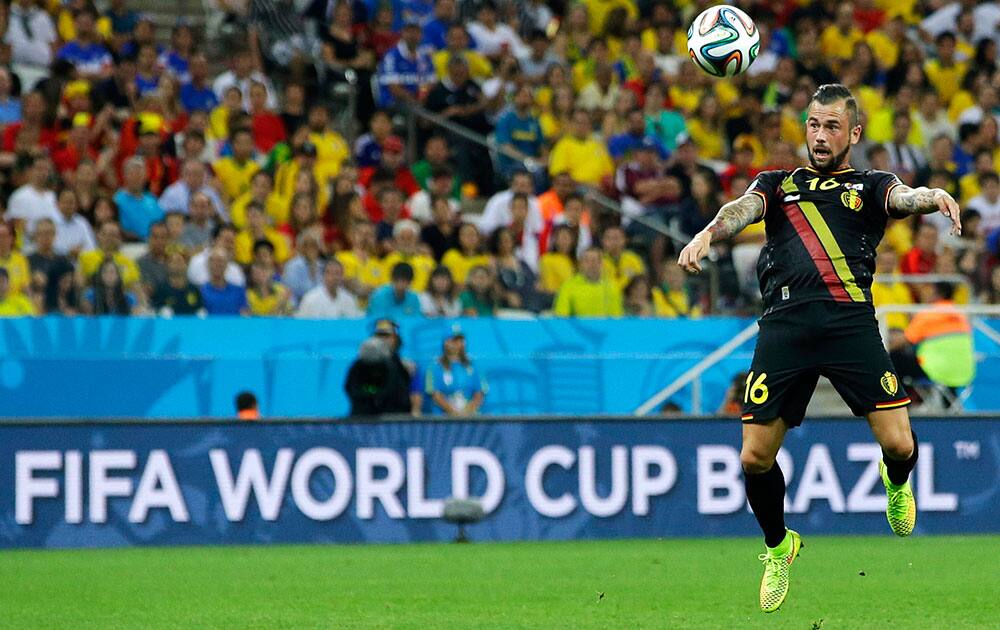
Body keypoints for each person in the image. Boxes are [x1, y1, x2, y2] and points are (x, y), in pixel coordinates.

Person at [677, 83, 963, 614]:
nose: (821, 135)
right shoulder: (778, 184)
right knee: (753, 456)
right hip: (784, 327)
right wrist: (707, 235)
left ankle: (895, 482)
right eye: (814, 124)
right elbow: (740, 209)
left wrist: (930, 197)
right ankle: (778, 546)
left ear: (853, 133)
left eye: (833, 126)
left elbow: (901, 196)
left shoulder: (870, 183)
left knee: (900, 445)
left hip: (849, 325)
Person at [424, 327, 486, 416]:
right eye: (454, 340)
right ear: (446, 342)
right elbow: (435, 394)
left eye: (461, 340)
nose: (458, 344)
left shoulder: (473, 364)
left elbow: (480, 393)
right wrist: (454, 413)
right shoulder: (435, 366)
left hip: (470, 417)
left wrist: (467, 411)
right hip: (444, 419)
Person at [553, 247, 624, 317]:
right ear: (580, 265)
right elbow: (561, 317)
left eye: (595, 260)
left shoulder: (612, 287)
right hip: (578, 328)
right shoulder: (568, 286)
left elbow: (617, 318)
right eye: (587, 261)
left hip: (604, 328)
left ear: (601, 264)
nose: (592, 264)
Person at [295, 259, 363, 319]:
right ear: (323, 276)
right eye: (329, 273)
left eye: (337, 273)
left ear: (342, 276)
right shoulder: (310, 299)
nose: (334, 277)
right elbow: (301, 325)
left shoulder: (349, 299)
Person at [151, 249, 205, 317]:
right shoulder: (161, 290)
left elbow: (200, 310)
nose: (177, 265)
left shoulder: (193, 289)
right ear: (167, 266)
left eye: (180, 261)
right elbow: (155, 310)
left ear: (186, 265)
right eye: (173, 262)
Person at [200, 247, 249, 316]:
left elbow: (245, 316)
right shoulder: (201, 291)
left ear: (227, 264)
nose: (216, 264)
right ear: (208, 265)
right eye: (213, 261)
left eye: (220, 261)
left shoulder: (239, 291)